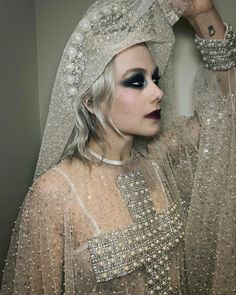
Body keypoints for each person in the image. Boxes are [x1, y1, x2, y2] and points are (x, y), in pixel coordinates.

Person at [1, 0, 235, 294]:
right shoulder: (54, 194)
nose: (158, 92)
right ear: (91, 100)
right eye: (136, 81)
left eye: (155, 78)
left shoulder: (159, 160)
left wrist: (204, 16)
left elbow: (224, 114)